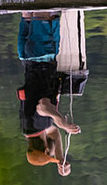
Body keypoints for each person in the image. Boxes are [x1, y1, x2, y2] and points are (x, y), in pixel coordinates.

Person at [17, 12, 81, 176]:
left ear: (46, 148)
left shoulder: (39, 124)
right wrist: (60, 159)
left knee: (44, 10)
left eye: (50, 154)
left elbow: (43, 106)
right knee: (28, 10)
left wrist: (61, 121)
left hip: (42, 54)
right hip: (27, 57)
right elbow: (55, 135)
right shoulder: (29, 129)